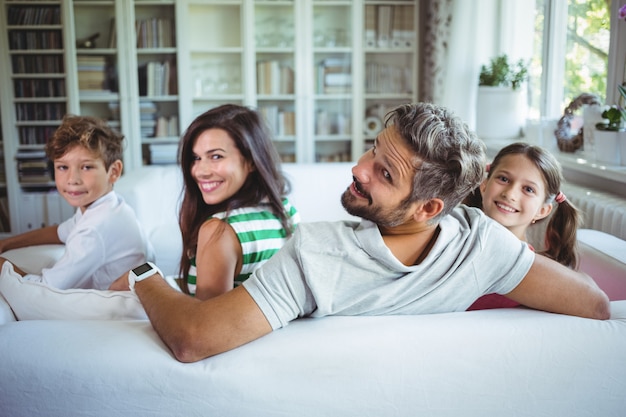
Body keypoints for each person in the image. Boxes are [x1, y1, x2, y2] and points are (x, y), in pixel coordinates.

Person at [120, 102, 610, 363]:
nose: (359, 168)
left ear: (428, 207)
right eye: (373, 150)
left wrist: (144, 275)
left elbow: (191, 338)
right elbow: (595, 304)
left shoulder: (316, 253)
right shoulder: (483, 243)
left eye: (385, 172)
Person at [110, 104, 299, 300]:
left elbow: (205, 324)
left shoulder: (220, 231)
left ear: (251, 160)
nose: (200, 171)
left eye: (216, 156)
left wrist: (148, 283)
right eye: (196, 158)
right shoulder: (286, 211)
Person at [0, 114, 154, 290]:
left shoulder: (94, 229)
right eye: (63, 167)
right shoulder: (107, 207)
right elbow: (59, 232)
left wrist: (3, 266)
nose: (72, 179)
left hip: (107, 312)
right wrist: (6, 243)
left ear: (114, 172)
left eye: (86, 167)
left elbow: (46, 290)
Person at [465, 142, 583, 310]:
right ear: (484, 185)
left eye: (528, 189)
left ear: (542, 210)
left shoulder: (529, 271)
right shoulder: (455, 236)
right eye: (504, 179)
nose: (510, 194)